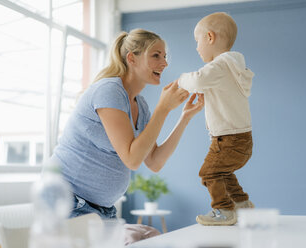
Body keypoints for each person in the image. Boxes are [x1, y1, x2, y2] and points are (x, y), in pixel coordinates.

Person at [51, 28, 204, 219]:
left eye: (164, 56)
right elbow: (132, 159)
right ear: (131, 58)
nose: (164, 63)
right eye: (156, 55)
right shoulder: (109, 91)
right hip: (68, 201)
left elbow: (154, 162)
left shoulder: (141, 105)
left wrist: (185, 118)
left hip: (101, 210)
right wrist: (163, 108)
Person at [177, 12, 255, 226]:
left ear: (210, 37)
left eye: (197, 41)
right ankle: (242, 204)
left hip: (227, 139)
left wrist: (181, 79)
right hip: (242, 139)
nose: (196, 47)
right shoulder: (234, 67)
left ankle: (223, 210)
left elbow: (197, 81)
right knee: (223, 171)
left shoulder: (219, 65)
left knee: (208, 173)